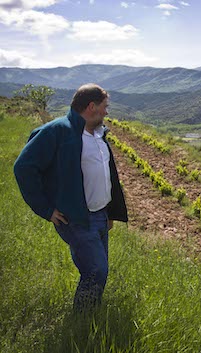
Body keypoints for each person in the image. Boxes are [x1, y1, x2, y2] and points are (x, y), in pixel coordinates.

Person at [14, 83, 128, 312]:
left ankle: (91, 311)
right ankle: (83, 321)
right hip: (76, 217)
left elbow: (107, 174)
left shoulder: (98, 133)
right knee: (95, 270)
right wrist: (46, 209)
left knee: (99, 268)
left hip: (100, 215)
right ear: (91, 106)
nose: (107, 112)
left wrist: (110, 212)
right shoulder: (58, 131)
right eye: (105, 107)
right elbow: (24, 167)